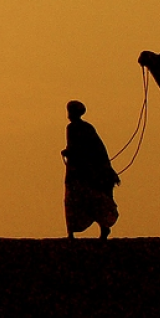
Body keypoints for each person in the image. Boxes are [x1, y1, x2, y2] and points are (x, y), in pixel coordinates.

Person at [61, 101, 120, 240]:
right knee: (84, 200)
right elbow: (98, 149)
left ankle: (72, 233)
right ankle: (74, 232)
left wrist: (69, 153)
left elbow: (81, 149)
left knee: (78, 199)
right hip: (83, 170)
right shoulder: (86, 128)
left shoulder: (74, 128)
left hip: (81, 172)